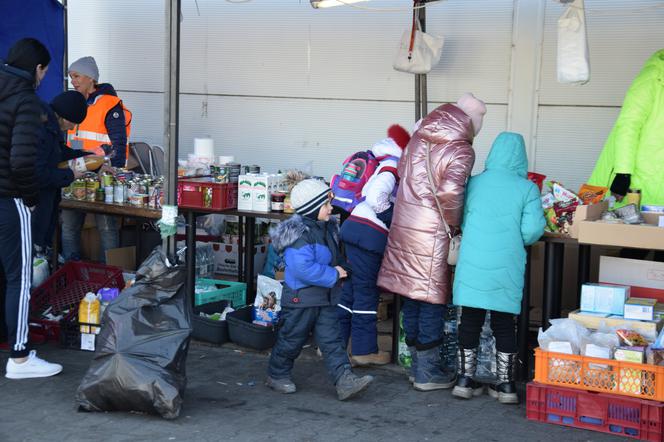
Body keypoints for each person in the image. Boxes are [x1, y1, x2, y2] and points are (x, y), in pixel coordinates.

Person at [378, 93, 486, 391]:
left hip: (404, 224)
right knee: (431, 300)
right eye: (481, 120)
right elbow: (451, 193)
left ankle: (415, 365)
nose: (480, 126)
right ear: (469, 119)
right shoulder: (461, 149)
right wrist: (454, 226)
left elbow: (402, 173)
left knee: (410, 295)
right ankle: (427, 372)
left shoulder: (418, 137)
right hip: (433, 232)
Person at [451, 132, 545, 404]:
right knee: (505, 324)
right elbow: (532, 231)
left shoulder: (474, 184)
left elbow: (462, 219)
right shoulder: (527, 188)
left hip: (473, 263)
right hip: (507, 264)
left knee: (469, 321)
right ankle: (506, 387)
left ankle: (464, 380)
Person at [266, 179, 374, 401]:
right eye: (326, 204)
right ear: (313, 209)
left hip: (325, 298)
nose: (331, 208)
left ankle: (345, 380)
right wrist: (334, 274)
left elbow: (333, 257)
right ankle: (277, 374)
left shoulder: (326, 228)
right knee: (291, 339)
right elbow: (302, 268)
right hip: (301, 300)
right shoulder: (299, 235)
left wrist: (344, 267)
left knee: (332, 341)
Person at [0, 38, 63, 378]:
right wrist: (30, 198)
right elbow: (23, 161)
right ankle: (20, 358)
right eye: (44, 71)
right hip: (10, 200)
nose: (43, 77)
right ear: (36, 69)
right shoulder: (25, 102)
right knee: (19, 280)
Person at [337, 124, 410, 367]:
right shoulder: (391, 167)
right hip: (369, 235)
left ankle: (334, 347)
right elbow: (376, 197)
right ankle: (364, 351)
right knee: (366, 293)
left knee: (350, 291)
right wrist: (392, 219)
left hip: (355, 229)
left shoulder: (384, 163)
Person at [588, 49, 664, 262]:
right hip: (643, 181)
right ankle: (620, 293)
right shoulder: (653, 77)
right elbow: (628, 126)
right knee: (635, 246)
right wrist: (623, 173)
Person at [61, 56, 131, 262]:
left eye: (76, 76)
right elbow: (72, 142)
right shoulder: (75, 103)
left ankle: (109, 276)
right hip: (75, 173)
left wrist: (113, 172)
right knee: (69, 225)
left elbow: (119, 143)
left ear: (91, 78)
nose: (73, 81)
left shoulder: (109, 105)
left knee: (107, 227)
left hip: (103, 175)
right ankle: (70, 272)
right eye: (70, 77)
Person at [32, 91, 88, 256]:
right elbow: (38, 174)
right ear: (64, 118)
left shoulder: (50, 129)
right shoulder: (42, 131)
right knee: (34, 259)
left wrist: (94, 161)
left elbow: (61, 153)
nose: (72, 128)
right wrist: (70, 176)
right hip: (35, 206)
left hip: (45, 204)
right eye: (73, 123)